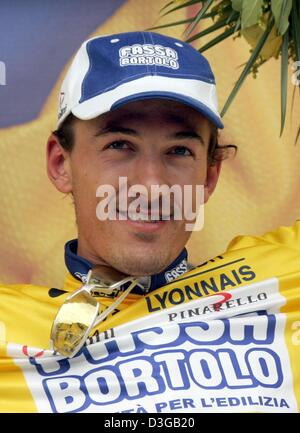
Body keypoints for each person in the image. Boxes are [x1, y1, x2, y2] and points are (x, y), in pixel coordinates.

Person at [0, 31, 299, 414]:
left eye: (179, 150)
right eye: (120, 145)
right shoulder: (9, 333)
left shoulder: (286, 280)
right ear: (62, 164)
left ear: (209, 175)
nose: (153, 185)